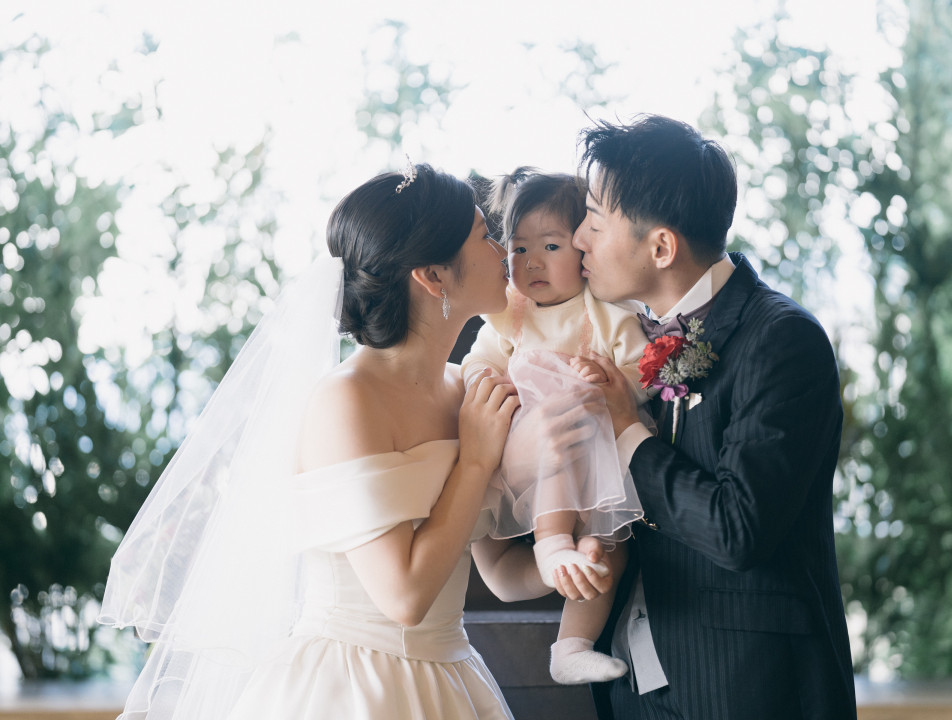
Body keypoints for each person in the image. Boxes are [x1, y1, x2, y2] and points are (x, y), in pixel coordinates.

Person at [98, 163, 609, 719]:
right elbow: (405, 597)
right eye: (486, 237)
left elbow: (498, 576)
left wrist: (568, 566)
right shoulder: (347, 401)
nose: (504, 253)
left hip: (452, 682)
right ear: (434, 278)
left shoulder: (471, 388)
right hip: (351, 687)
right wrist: (477, 459)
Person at [571, 116, 858, 719]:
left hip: (746, 690)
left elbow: (737, 528)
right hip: (630, 686)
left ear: (661, 247)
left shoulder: (783, 342)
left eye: (595, 221)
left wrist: (627, 429)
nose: (578, 239)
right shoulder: (625, 338)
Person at [461, 168, 649, 686]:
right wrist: (489, 384)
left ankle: (570, 646)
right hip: (535, 457)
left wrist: (611, 379)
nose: (532, 262)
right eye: (518, 250)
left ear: (585, 252)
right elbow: (478, 365)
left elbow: (641, 372)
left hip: (598, 462)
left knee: (609, 548)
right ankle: (552, 544)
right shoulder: (509, 314)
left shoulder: (605, 313)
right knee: (561, 467)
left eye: (550, 246)